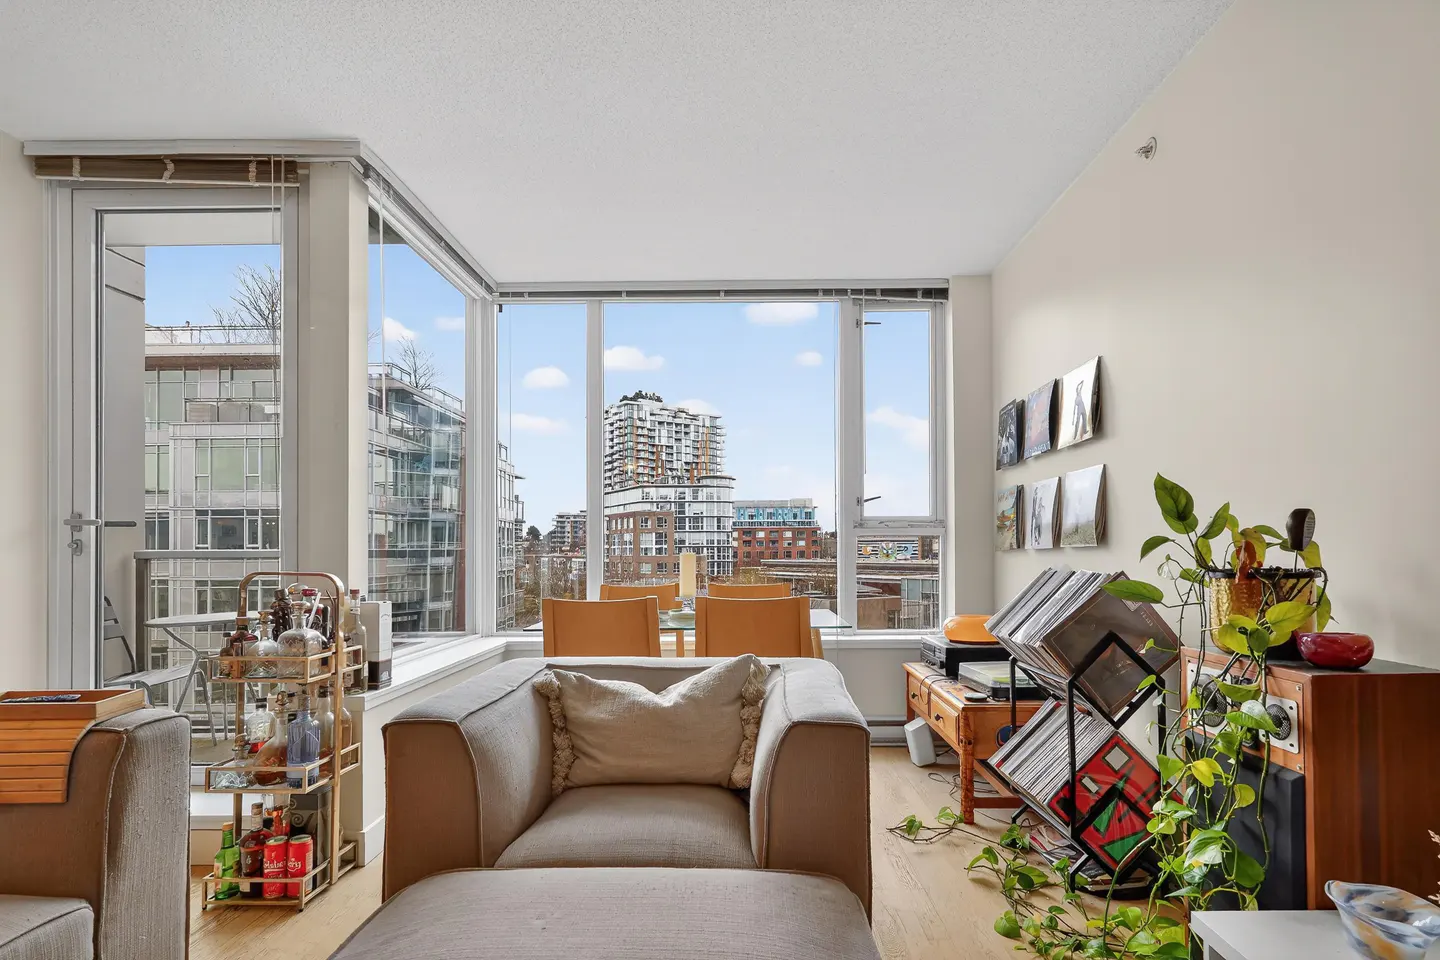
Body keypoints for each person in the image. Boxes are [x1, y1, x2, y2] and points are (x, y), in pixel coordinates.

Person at [1069, 379, 1089, 443]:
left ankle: (1085, 430)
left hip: (1082, 407)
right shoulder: (1077, 398)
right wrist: (1080, 384)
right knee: (1077, 421)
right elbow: (1077, 388)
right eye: (1077, 391)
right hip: (1079, 409)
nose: (1078, 391)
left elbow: (1079, 388)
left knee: (1084, 418)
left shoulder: (1079, 395)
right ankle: (1075, 435)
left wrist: (1081, 383)